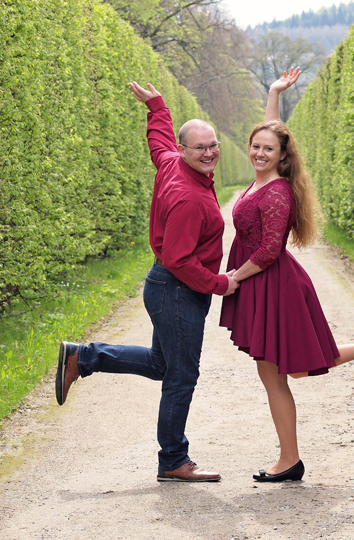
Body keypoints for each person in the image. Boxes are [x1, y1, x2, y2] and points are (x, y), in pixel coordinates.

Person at [219, 68, 354, 483]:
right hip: (265, 286)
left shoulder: (275, 193)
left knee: (279, 372)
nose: (258, 152)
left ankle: (289, 460)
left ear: (282, 156)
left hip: (272, 285)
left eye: (267, 149)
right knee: (290, 370)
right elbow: (273, 130)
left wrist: (235, 276)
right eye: (255, 146)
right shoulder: (262, 180)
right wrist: (273, 93)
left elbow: (270, 252)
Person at [55, 81, 238, 482]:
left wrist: (156, 106)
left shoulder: (172, 161)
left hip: (167, 287)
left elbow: (159, 140)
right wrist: (219, 284)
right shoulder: (190, 198)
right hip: (176, 289)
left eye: (213, 145)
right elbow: (178, 258)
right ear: (185, 151)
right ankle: (174, 459)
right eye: (200, 148)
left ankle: (84, 357)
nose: (209, 153)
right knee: (180, 375)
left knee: (162, 364)